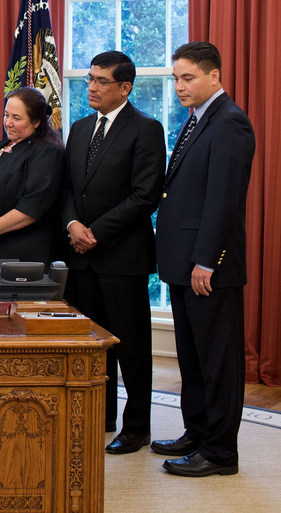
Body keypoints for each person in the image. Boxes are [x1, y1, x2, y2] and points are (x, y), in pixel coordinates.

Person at [152, 41, 255, 477]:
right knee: (192, 359)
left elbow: (223, 201)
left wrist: (206, 262)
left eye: (188, 77)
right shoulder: (196, 120)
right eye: (176, 77)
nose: (178, 86)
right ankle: (196, 432)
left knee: (218, 362)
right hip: (183, 263)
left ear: (214, 76)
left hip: (207, 268)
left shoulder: (230, 122)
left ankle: (220, 453)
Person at [60, 52, 165, 454]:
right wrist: (72, 226)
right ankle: (100, 416)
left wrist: (96, 233)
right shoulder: (81, 127)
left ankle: (136, 426)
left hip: (122, 257)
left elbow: (145, 196)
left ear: (125, 87)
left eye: (102, 81)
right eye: (90, 79)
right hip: (80, 256)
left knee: (131, 348)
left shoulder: (146, 129)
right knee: (91, 344)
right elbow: (68, 189)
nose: (92, 86)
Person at [0, 87, 63, 265]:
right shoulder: (5, 145)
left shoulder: (47, 152)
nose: (8, 122)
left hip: (20, 257)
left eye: (16, 118)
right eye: (6, 114)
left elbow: (31, 208)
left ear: (37, 122)